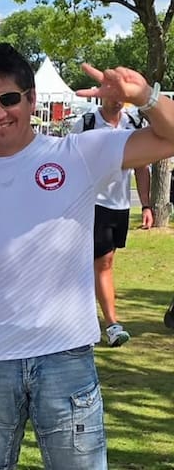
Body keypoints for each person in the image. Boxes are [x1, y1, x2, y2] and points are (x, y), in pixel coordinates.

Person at [0, 43, 174, 469]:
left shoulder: (78, 153)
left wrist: (145, 97)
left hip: (65, 356)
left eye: (9, 99)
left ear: (31, 99)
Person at [70, 99, 153, 346]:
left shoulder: (133, 123)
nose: (116, 99)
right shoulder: (86, 124)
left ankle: (102, 322)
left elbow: (141, 167)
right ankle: (110, 324)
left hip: (120, 205)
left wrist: (146, 205)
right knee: (99, 262)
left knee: (105, 262)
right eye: (111, 93)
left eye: (121, 94)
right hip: (91, 203)